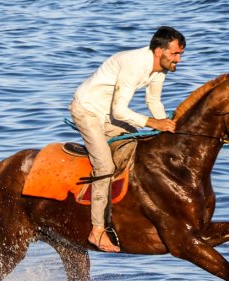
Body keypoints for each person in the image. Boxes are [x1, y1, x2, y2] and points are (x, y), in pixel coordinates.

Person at [69, 26, 185, 252]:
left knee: (139, 145)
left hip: (108, 115)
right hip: (88, 111)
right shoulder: (135, 65)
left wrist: (167, 129)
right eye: (175, 54)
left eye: (180, 54)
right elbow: (121, 110)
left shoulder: (160, 70)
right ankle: (97, 230)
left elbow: (154, 102)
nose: (178, 60)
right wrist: (154, 123)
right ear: (159, 51)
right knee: (104, 164)